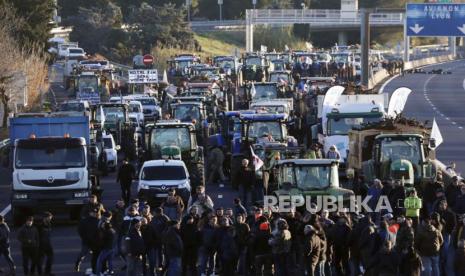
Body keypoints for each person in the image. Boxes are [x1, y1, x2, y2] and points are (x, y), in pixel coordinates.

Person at [75, 208, 100, 273]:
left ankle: (95, 268)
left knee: (95, 256)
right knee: (82, 254)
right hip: (86, 241)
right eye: (92, 212)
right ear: (89, 213)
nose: (94, 214)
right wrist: (84, 238)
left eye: (95, 213)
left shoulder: (98, 220)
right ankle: (77, 264)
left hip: (95, 242)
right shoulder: (84, 221)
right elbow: (80, 230)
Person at [37, 212, 54, 276]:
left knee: (51, 257)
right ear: (45, 218)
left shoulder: (49, 224)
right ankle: (40, 273)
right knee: (40, 259)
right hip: (41, 245)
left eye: (50, 218)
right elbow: (36, 236)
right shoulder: (39, 226)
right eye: (49, 218)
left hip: (48, 243)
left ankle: (47, 272)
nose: (50, 219)